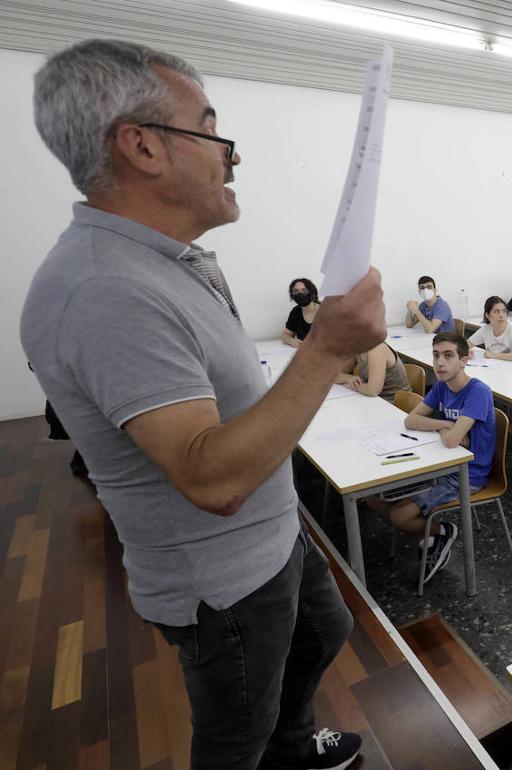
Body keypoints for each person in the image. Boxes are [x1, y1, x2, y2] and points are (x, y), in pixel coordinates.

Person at [22, 40, 375, 768]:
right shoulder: (106, 290)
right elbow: (211, 479)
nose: (230, 155)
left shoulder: (159, 263)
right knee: (231, 739)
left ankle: (294, 744)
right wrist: (328, 349)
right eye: (212, 130)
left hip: (274, 535)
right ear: (143, 147)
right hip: (223, 586)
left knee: (322, 633)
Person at [373, 333, 494, 581]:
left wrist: (447, 431)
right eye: (436, 355)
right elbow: (411, 420)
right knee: (372, 498)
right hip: (440, 466)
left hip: (467, 475)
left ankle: (442, 531)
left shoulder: (477, 392)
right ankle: (427, 538)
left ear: (464, 360)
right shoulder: (441, 386)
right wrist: (444, 423)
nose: (440, 362)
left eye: (448, 356)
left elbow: (451, 441)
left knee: (398, 515)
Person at [337, 342, 411, 402]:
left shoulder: (377, 349)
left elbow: (373, 391)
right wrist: (350, 378)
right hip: (373, 399)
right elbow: (334, 376)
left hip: (396, 404)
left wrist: (354, 385)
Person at [470, 296, 512, 362]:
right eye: (496, 312)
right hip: (498, 367)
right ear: (487, 315)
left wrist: (493, 355)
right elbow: (464, 345)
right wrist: (466, 353)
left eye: (504, 311)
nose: (501, 315)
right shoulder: (485, 330)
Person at [283, 277, 319, 347]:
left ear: (312, 293)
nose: (300, 294)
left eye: (304, 290)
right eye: (295, 291)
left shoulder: (326, 310)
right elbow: (286, 334)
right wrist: (292, 341)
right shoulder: (296, 312)